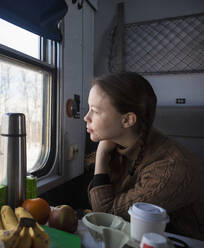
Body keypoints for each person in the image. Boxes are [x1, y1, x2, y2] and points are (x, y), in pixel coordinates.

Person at [83, 71, 204, 240]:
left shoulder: (171, 167)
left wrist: (101, 154)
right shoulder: (120, 146)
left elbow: (107, 216)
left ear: (127, 120)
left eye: (95, 111)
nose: (86, 117)